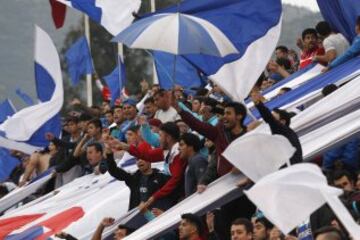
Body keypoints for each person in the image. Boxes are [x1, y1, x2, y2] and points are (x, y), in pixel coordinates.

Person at [113, 122, 187, 212]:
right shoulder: (168, 151)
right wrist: (126, 147)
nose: (158, 140)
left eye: (160, 136)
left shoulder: (178, 153)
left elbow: (175, 180)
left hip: (184, 197)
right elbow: (147, 155)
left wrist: (155, 196)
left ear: (168, 138)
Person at [251, 89, 302, 165]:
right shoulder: (286, 133)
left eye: (274, 116)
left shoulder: (283, 130)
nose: (272, 117)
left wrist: (258, 104)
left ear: (282, 121)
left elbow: (269, 118)